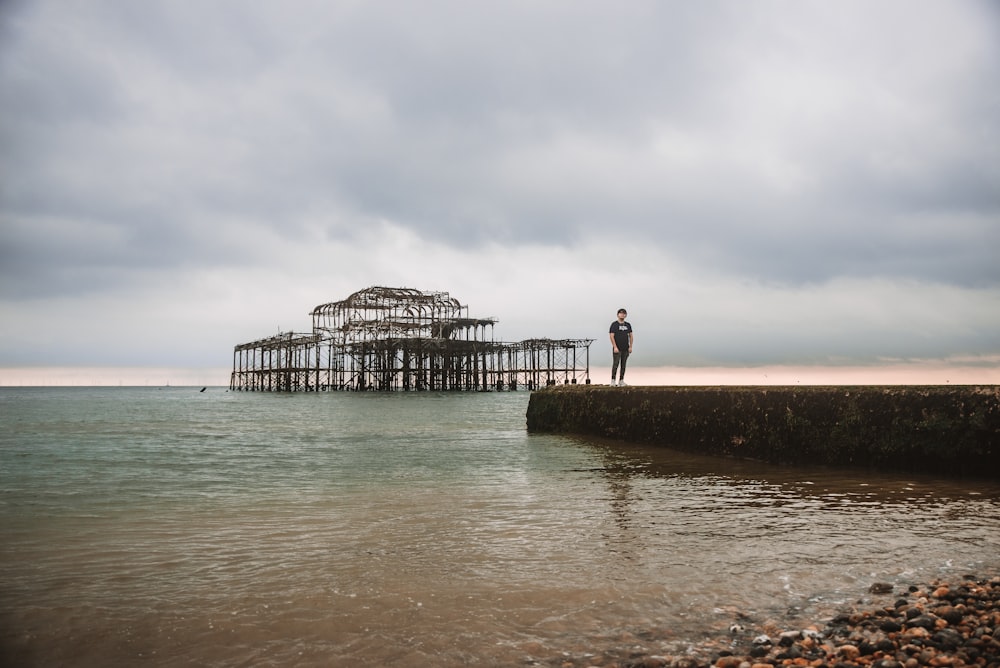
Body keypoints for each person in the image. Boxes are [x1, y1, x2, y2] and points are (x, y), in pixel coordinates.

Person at [608, 308, 633, 386]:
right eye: (621, 313)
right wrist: (615, 347)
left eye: (624, 313)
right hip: (617, 348)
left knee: (623, 364)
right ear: (618, 314)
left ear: (625, 315)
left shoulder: (628, 325)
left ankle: (621, 380)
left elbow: (631, 336)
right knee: (616, 364)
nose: (622, 315)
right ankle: (613, 380)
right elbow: (611, 336)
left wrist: (630, 346)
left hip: (625, 348)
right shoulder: (614, 324)